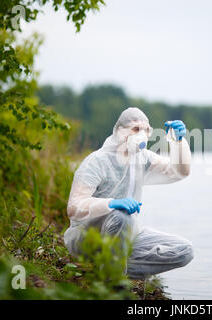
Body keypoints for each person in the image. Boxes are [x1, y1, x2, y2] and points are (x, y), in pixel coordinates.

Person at [63, 107, 193, 279]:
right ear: (119, 131)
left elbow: (178, 171)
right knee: (120, 217)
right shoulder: (96, 161)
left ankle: (111, 269)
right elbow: (74, 207)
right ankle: (113, 282)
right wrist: (110, 204)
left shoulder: (143, 158)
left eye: (146, 130)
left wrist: (178, 142)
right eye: (136, 129)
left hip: (126, 234)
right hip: (88, 237)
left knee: (184, 250)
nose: (142, 134)